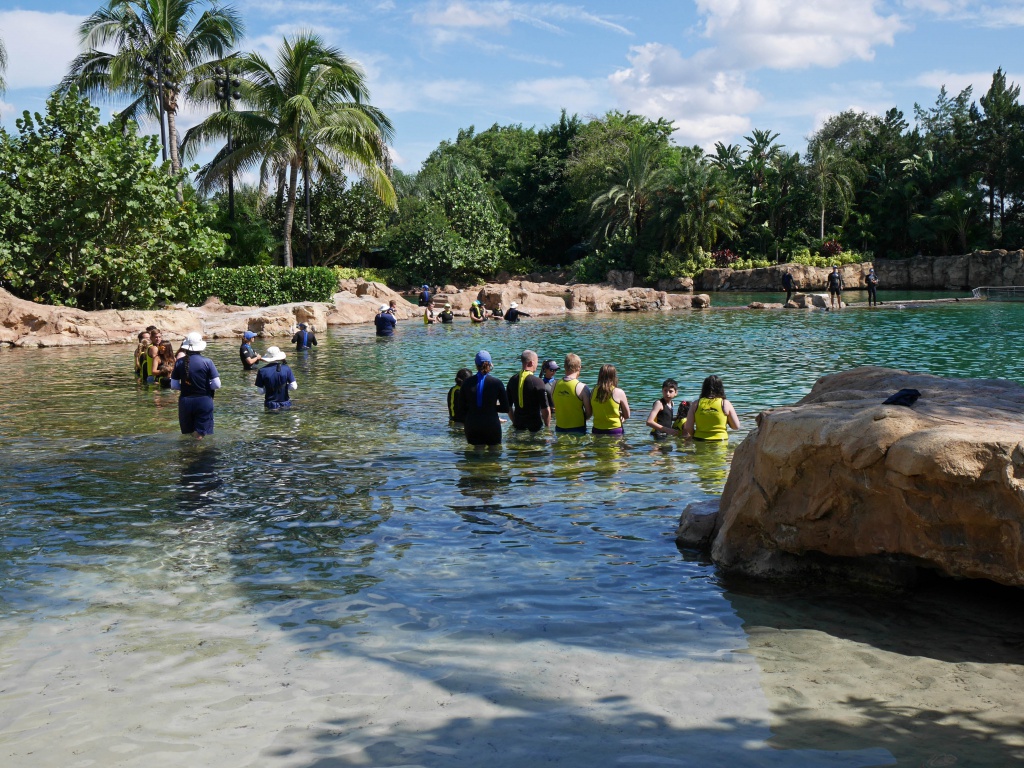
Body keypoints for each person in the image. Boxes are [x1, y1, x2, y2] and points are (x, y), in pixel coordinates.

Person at [170, 332, 221, 438]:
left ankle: (188, 453)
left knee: (188, 434)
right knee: (200, 435)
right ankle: (196, 452)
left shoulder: (179, 362)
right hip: (203, 400)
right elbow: (217, 384)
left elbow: (174, 385)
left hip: (185, 401)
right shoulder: (207, 362)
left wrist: (185, 387)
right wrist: (204, 387)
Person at [460, 350, 509, 448]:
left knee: (476, 456)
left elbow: (461, 408)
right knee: (494, 456)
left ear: (476, 364)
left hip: (473, 425)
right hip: (491, 424)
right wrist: (492, 407)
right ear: (490, 364)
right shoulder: (497, 383)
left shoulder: (466, 383)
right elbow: (505, 408)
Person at [505, 349, 551, 433]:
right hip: (535, 427)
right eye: (537, 362)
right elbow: (545, 409)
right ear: (531, 362)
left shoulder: (512, 380)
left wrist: (514, 422)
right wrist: (547, 429)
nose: (537, 365)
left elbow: (508, 406)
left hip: (518, 426)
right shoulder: (538, 382)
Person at [683, 375, 741, 441]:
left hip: (700, 440)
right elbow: (736, 426)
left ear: (704, 388)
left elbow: (688, 427)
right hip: (720, 441)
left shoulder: (696, 404)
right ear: (720, 388)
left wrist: (694, 434)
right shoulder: (725, 403)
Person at [553, 353, 591, 434]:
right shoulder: (582, 387)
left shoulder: (554, 384)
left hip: (559, 428)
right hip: (578, 429)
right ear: (579, 368)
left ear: (564, 367)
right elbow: (589, 412)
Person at [591, 364, 630, 436]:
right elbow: (627, 415)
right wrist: (620, 414)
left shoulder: (593, 391)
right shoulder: (618, 392)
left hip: (597, 430)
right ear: (614, 377)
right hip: (615, 430)